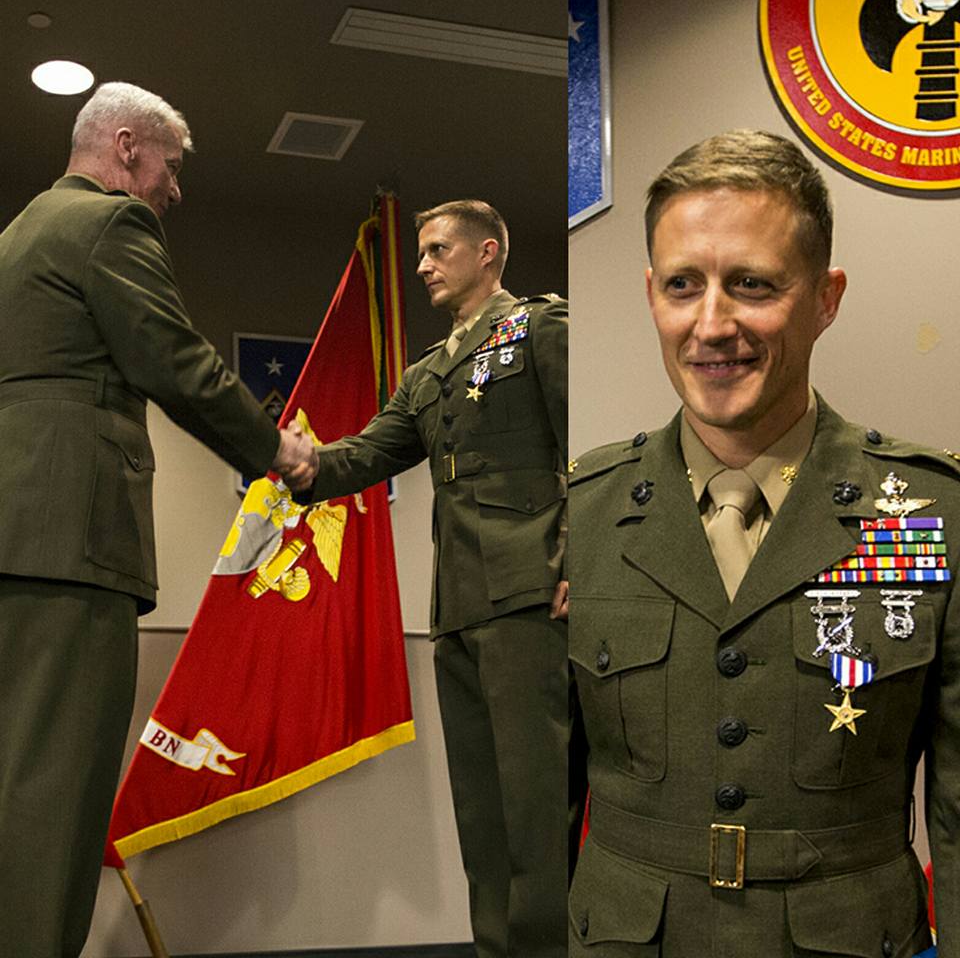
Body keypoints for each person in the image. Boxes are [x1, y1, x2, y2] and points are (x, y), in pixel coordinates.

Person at [568, 130, 959, 957]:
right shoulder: (580, 515)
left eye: (752, 284)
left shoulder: (930, 513)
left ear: (825, 298)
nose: (712, 325)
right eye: (683, 285)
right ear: (651, 294)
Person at [0, 82, 316, 956]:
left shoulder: (15, 236)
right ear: (127, 146)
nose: (174, 190)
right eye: (170, 168)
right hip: (70, 545)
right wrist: (277, 449)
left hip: (16, 537)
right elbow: (175, 362)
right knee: (54, 795)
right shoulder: (110, 224)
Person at [309, 199, 568, 957]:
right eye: (420, 253)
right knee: (481, 810)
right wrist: (291, 457)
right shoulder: (428, 372)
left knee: (536, 801)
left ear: (487, 252)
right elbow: (365, 454)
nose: (422, 265)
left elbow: (590, 445)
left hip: (530, 589)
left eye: (437, 249)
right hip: (457, 602)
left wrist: (579, 561)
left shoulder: (540, 328)